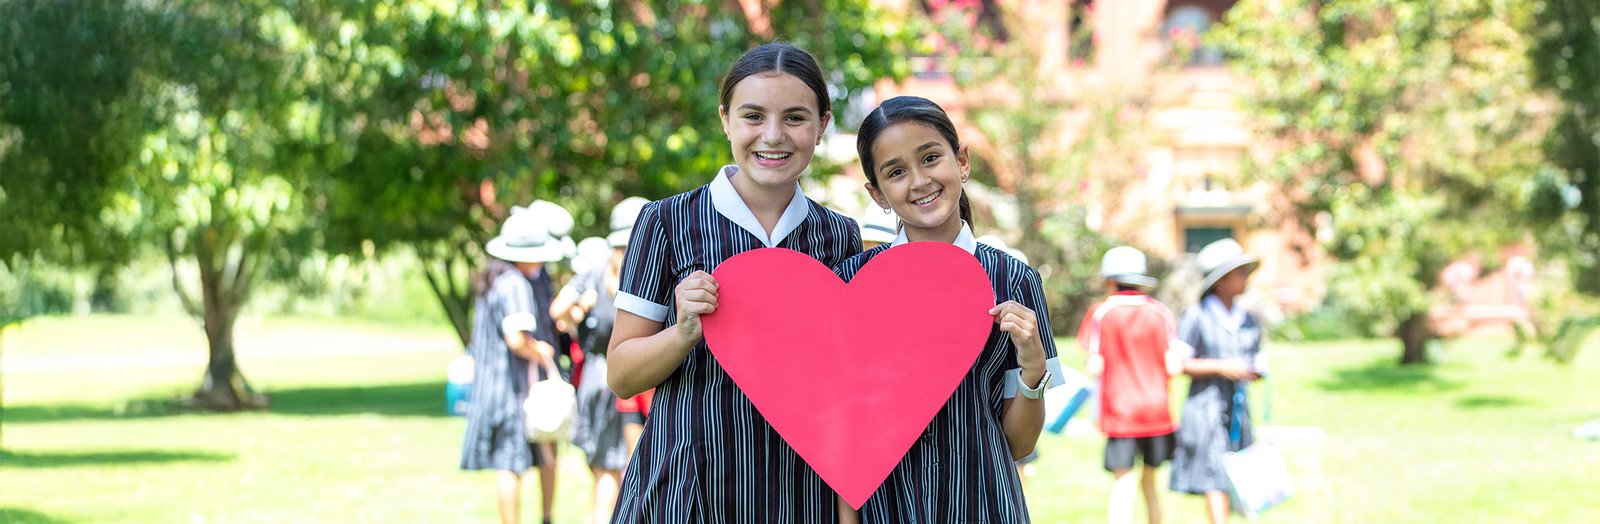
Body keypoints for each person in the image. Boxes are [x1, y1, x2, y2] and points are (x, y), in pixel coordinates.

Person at [605, 42, 862, 522]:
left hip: (802, 496)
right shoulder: (665, 221)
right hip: (686, 490)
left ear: (823, 125)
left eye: (794, 118)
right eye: (752, 116)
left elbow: (842, 393)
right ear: (725, 119)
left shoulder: (839, 237)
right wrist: (682, 332)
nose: (772, 135)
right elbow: (620, 376)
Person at [835, 95, 1063, 523]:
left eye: (931, 158)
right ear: (877, 193)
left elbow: (1020, 445)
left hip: (985, 504)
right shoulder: (853, 283)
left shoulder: (1015, 281)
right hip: (886, 508)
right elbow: (843, 430)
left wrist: (1033, 371)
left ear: (961, 161)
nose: (919, 181)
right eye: (896, 172)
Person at [461, 201, 574, 524]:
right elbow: (516, 338)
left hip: (493, 385)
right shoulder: (515, 284)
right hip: (512, 391)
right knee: (512, 464)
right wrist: (541, 350)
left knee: (508, 464)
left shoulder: (495, 279)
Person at [553, 197, 647, 524]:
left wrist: (578, 312)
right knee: (617, 465)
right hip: (629, 374)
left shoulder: (597, 271)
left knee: (605, 466)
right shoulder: (644, 271)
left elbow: (558, 311)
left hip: (599, 373)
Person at [1169, 238, 1269, 524]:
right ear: (1221, 280)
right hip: (1206, 408)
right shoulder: (1197, 317)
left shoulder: (1249, 320)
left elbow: (1258, 360)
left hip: (1238, 411)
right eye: (1240, 272)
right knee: (1214, 474)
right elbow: (1177, 363)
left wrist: (1253, 371)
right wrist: (1220, 367)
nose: (1246, 278)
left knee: (1238, 470)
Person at [1077, 246, 1178, 524]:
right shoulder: (1161, 313)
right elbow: (1173, 366)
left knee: (1123, 484)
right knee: (1151, 482)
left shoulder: (1102, 313)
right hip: (1157, 412)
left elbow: (1095, 366)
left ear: (1110, 281)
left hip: (1121, 413)